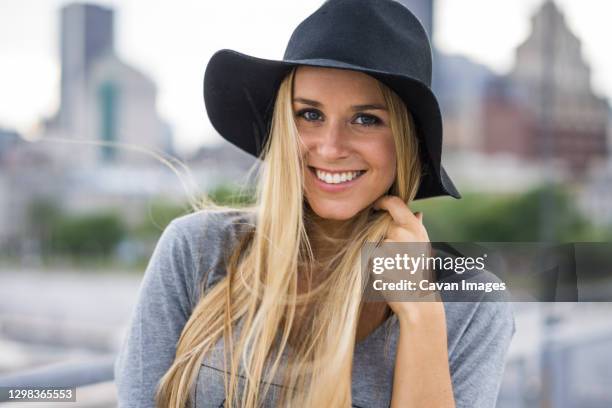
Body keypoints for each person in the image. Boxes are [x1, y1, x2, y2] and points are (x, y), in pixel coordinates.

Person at [114, 0, 516, 407]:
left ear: (408, 141)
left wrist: (421, 315)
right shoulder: (197, 250)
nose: (330, 147)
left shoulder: (471, 303)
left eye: (365, 119)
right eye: (309, 114)